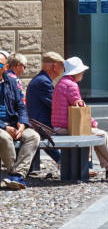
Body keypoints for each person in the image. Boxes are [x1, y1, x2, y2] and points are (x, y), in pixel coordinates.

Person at [51, 56, 108, 178]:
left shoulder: (61, 83)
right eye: (82, 72)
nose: (83, 74)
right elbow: (80, 108)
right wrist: (92, 122)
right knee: (101, 134)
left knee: (97, 135)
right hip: (67, 127)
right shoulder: (71, 85)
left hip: (59, 126)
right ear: (77, 72)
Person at [0, 52, 40, 190]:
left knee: (33, 136)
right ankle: (13, 173)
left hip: (13, 122)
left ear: (5, 66)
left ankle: (18, 174)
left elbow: (20, 105)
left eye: (0, 65)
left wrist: (22, 123)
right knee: (4, 138)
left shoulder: (11, 82)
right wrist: (4, 127)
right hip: (2, 126)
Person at [26, 52, 65, 165]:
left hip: (40, 122)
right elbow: (55, 105)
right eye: (61, 66)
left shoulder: (42, 79)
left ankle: (63, 160)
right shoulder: (43, 82)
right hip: (42, 124)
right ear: (55, 66)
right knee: (78, 130)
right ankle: (67, 162)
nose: (62, 70)